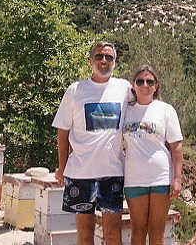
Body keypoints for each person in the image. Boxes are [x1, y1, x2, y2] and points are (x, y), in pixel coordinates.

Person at [52, 41, 131, 245]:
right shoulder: (75, 90)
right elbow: (62, 131)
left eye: (109, 57)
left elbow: (147, 105)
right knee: (85, 235)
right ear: (90, 61)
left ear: (115, 62)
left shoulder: (125, 89)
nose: (104, 60)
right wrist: (61, 167)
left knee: (113, 234)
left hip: (112, 174)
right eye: (99, 56)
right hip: (80, 174)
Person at [122, 65, 183, 245]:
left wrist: (177, 178)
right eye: (140, 81)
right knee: (138, 231)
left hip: (160, 178)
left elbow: (177, 146)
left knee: (157, 234)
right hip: (134, 179)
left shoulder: (166, 110)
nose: (145, 85)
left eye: (150, 81)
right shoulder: (126, 110)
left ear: (156, 86)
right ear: (134, 85)